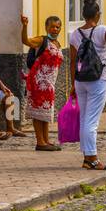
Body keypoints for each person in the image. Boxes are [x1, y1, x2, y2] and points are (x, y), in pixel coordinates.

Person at [68, 0, 106, 170]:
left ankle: (87, 157)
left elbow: (72, 62)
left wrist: (72, 84)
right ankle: (92, 158)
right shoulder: (102, 31)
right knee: (92, 120)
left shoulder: (74, 35)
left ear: (84, 15)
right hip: (98, 79)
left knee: (85, 118)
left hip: (80, 80)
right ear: (97, 15)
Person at [20, 14, 65, 150]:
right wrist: (25, 26)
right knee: (38, 112)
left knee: (45, 112)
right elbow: (26, 41)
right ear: (46, 27)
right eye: (52, 27)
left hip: (49, 84)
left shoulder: (57, 44)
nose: (55, 29)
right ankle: (40, 142)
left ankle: (46, 140)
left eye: (58, 27)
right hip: (39, 82)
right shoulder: (42, 40)